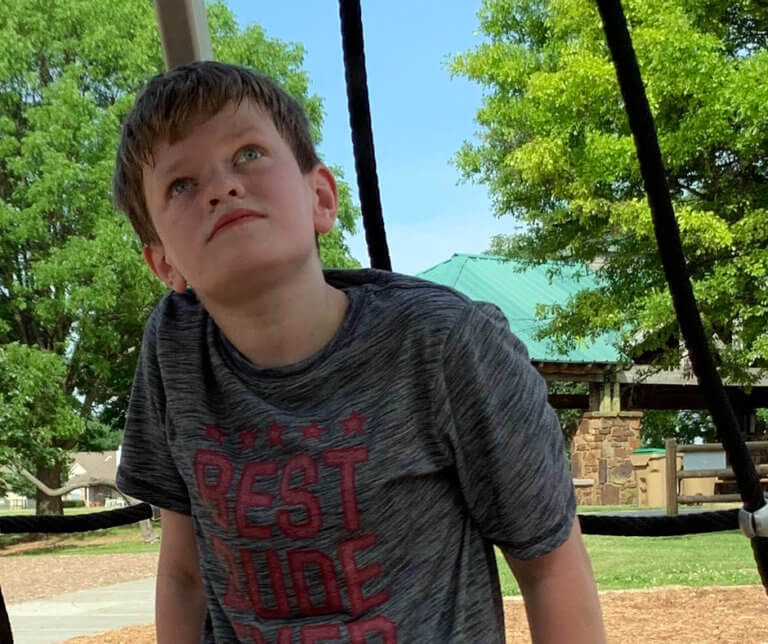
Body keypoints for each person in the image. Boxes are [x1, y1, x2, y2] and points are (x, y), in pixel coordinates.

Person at [114, 60, 605, 644]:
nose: (222, 186)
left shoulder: (444, 344)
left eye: (247, 153)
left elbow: (551, 565)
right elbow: (183, 571)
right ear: (163, 262)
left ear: (320, 196)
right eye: (181, 184)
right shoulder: (175, 347)